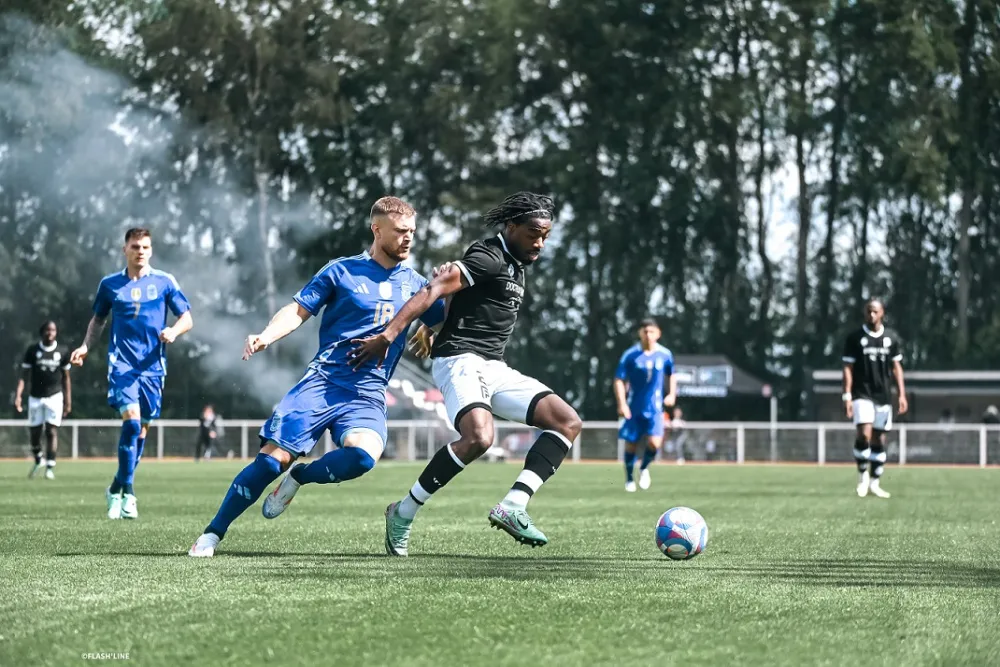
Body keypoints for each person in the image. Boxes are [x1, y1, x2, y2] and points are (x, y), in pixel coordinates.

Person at [188, 196, 446, 558]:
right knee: (270, 462)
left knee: (363, 457)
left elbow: (445, 320)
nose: (408, 238)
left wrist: (432, 327)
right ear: (377, 230)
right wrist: (266, 336)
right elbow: (297, 310)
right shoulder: (341, 271)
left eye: (412, 232)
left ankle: (300, 477)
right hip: (321, 384)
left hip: (367, 394)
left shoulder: (417, 285)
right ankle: (212, 534)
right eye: (401, 231)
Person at [350, 192, 583, 556]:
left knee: (566, 422)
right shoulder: (489, 256)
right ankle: (403, 512)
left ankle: (514, 505)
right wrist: (389, 335)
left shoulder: (516, 264)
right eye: (533, 234)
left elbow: (462, 299)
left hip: (493, 366)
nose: (539, 243)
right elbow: (434, 288)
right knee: (479, 437)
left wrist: (435, 324)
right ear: (512, 227)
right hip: (459, 360)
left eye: (545, 236)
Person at [70, 228, 193, 520]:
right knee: (132, 424)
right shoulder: (110, 284)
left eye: (145, 247)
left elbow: (187, 317)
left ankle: (115, 488)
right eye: (135, 246)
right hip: (122, 365)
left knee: (141, 432)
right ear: (124, 249)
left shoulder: (164, 281)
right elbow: (98, 320)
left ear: (151, 250)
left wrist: (173, 331)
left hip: (153, 368)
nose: (140, 251)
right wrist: (85, 346)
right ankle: (130, 492)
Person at [841, 297, 907, 499]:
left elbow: (896, 367)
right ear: (864, 313)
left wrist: (902, 394)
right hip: (861, 393)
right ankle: (862, 478)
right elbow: (848, 368)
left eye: (875, 311)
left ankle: (875, 483)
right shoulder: (855, 338)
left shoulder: (891, 338)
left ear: (882, 313)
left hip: (883, 395)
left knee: (879, 438)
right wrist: (847, 396)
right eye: (869, 311)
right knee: (864, 434)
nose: (872, 314)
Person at [613, 318, 676, 491]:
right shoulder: (630, 355)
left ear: (658, 334)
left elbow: (672, 374)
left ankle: (644, 467)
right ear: (640, 333)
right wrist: (622, 403)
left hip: (655, 408)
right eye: (645, 331)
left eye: (651, 331)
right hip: (633, 407)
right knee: (631, 444)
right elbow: (619, 379)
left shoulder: (665, 354)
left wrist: (671, 394)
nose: (648, 335)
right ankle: (629, 479)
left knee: (655, 443)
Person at [14, 321, 72, 479]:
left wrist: (68, 401)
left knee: (51, 431)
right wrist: (18, 395)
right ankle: (39, 459)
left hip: (55, 396)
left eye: (53, 330)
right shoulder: (33, 350)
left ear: (56, 332)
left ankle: (50, 467)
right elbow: (24, 376)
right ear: (42, 332)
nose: (50, 333)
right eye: (47, 330)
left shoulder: (62, 351)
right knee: (35, 433)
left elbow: (66, 378)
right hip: (35, 397)